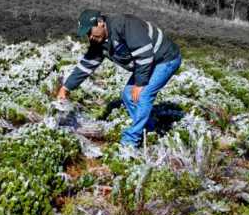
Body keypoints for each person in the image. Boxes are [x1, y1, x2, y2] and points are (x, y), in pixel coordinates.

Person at [57, 9, 182, 149]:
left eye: (90, 31)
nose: (90, 37)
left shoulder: (124, 25)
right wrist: (66, 87)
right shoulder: (99, 42)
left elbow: (144, 54)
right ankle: (149, 129)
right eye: (87, 34)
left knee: (143, 94)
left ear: (100, 23)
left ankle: (130, 142)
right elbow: (87, 64)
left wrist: (140, 83)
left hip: (165, 59)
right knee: (128, 95)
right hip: (147, 63)